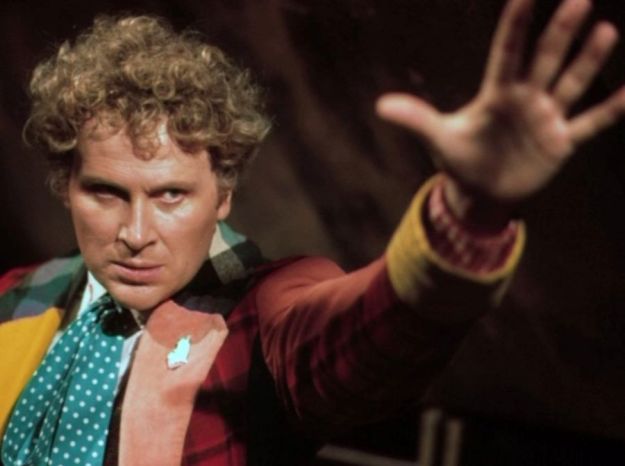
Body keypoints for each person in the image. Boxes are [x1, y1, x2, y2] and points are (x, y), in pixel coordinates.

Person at [1, 0, 624, 464]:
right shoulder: (16, 297)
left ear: (223, 195)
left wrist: (471, 211)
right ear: (65, 186)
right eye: (107, 193)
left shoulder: (263, 310)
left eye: (171, 195)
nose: (136, 233)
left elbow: (363, 336)